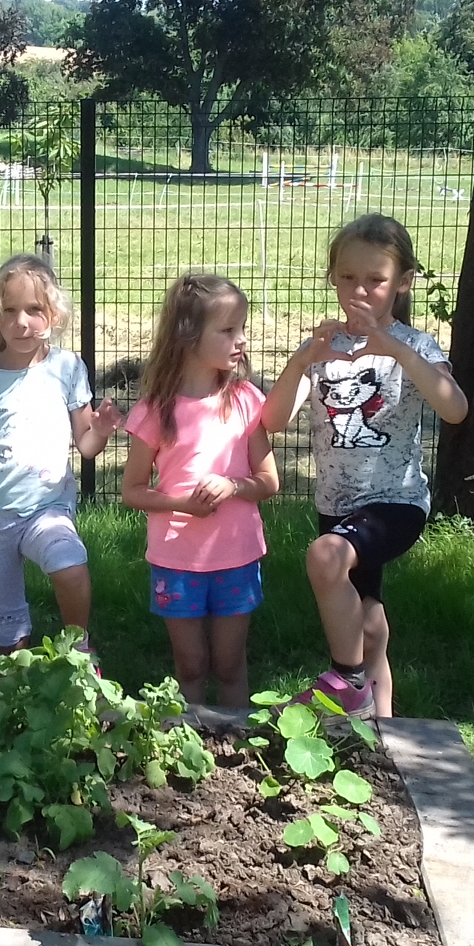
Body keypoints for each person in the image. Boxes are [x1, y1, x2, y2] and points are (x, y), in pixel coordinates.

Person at [261, 215, 467, 718]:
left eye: (375, 280)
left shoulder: (415, 346)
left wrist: (396, 349)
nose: (359, 290)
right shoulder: (322, 350)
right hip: (337, 505)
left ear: (402, 282)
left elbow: (455, 409)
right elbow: (273, 421)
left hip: (396, 502)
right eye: (348, 277)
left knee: (326, 557)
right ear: (333, 277)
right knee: (369, 622)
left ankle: (347, 681)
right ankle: (382, 729)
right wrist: (300, 361)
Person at [121, 272, 279, 707]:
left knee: (229, 664)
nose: (240, 339)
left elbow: (269, 481)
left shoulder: (246, 400)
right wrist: (183, 504)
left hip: (237, 556)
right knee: (189, 665)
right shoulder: (155, 411)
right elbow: (132, 490)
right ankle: (188, 739)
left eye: (241, 328)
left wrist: (234, 485)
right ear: (188, 336)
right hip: (176, 561)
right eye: (227, 330)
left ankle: (238, 740)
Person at [0, 252, 120, 653]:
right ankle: (15, 680)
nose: (21, 322)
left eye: (33, 310)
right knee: (7, 631)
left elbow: (86, 446)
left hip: (48, 508)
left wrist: (100, 429)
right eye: (10, 310)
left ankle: (78, 648)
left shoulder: (68, 368)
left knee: (70, 565)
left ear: (54, 315)